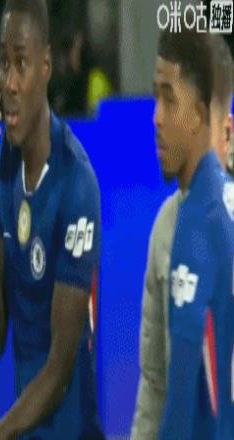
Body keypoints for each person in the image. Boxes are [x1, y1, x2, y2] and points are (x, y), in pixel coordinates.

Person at [0, 1, 104, 438]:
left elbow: (59, 369)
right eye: (3, 63)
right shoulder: (7, 164)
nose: (9, 82)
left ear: (45, 67)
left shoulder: (76, 183)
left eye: (21, 64)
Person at [131, 33, 234, 439]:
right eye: (155, 98)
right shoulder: (166, 228)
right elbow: (156, 381)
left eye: (169, 100)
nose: (156, 118)